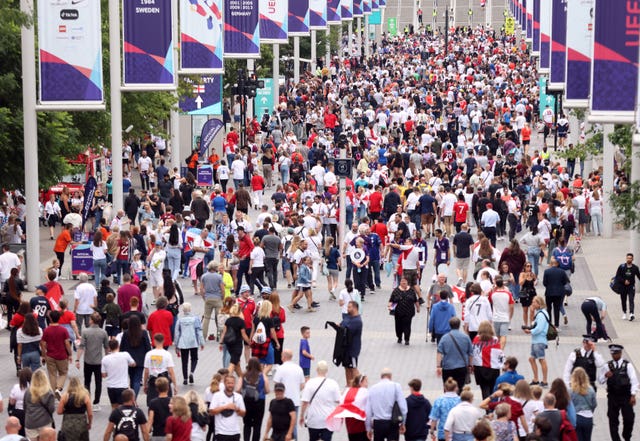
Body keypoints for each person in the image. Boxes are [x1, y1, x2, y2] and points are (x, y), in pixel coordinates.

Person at [599, 344, 639, 441]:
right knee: (612, 420)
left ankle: (627, 436)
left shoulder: (627, 366)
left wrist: (633, 395)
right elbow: (600, 380)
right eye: (612, 354)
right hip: (613, 397)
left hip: (625, 396)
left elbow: (634, 381)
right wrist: (605, 375)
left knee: (629, 418)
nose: (614, 355)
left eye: (616, 353)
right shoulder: (607, 366)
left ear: (620, 353)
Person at [299, 360, 341, 441]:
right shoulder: (333, 383)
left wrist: (301, 416)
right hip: (328, 419)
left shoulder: (310, 383)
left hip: (314, 419)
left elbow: (305, 402)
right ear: (327, 370)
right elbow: (339, 400)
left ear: (317, 369)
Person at [76, 312, 109, 411]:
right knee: (98, 382)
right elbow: (106, 347)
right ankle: (96, 402)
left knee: (87, 381)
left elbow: (81, 347)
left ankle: (87, 400)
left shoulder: (85, 332)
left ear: (91, 320)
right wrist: (107, 360)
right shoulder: (103, 332)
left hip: (88, 360)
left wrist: (77, 359)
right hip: (99, 361)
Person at [365, 367, 407, 441]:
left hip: (378, 423)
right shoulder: (396, 386)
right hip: (392, 422)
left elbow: (368, 411)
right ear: (390, 376)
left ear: (381, 377)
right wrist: (403, 423)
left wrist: (368, 428)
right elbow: (403, 408)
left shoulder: (372, 388)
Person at [272, 349, 305, 440]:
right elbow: (302, 385)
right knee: (293, 425)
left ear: (284, 357)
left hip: (283, 401)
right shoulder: (298, 368)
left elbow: (276, 384)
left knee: (282, 424)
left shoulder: (281, 368)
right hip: (295, 401)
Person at [40, 309, 72, 399]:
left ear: (50, 318)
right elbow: (67, 343)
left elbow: (42, 343)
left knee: (52, 374)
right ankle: (59, 388)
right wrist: (70, 354)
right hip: (62, 355)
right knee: (63, 373)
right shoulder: (63, 330)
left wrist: (43, 354)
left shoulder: (46, 330)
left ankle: (54, 393)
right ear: (59, 318)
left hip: (50, 355)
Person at [437, 317, 473, 393]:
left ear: (450, 325)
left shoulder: (444, 338)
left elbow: (439, 352)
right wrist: (470, 365)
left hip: (448, 367)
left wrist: (438, 366)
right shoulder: (466, 337)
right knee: (460, 387)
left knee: (448, 388)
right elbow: (470, 353)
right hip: (461, 367)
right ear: (459, 325)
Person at [238, 357, 270, 441]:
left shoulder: (244, 375)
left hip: (246, 401)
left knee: (247, 424)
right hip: (259, 402)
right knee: (257, 425)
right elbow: (267, 390)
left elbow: (238, 389)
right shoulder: (262, 375)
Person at [119, 315, 152, 397]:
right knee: (137, 380)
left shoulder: (126, 333)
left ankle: (131, 397)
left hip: (129, 360)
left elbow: (122, 347)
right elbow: (147, 346)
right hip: (140, 360)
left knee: (132, 378)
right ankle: (134, 398)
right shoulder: (143, 333)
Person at [143, 333, 179, 406]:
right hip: (164, 381)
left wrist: (145, 384)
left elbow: (146, 371)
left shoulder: (149, 354)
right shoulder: (167, 354)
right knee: (167, 404)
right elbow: (171, 371)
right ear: (163, 341)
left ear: (154, 341)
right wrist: (175, 385)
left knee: (152, 404)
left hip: (153, 381)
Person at [472, 321, 505, 400]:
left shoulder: (476, 339)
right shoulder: (495, 340)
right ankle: (492, 405)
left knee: (484, 388)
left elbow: (473, 353)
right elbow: (499, 354)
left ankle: (487, 406)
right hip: (493, 368)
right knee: (493, 387)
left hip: (480, 368)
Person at [175, 302, 205, 385]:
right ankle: (191, 372)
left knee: (184, 361)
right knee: (194, 358)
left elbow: (177, 334)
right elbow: (199, 331)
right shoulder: (195, 319)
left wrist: (176, 345)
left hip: (183, 342)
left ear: (183, 310)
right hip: (193, 341)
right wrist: (202, 342)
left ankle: (185, 378)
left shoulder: (180, 320)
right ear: (190, 309)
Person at [209, 375, 246, 441]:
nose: (230, 385)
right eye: (228, 383)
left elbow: (243, 414)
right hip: (221, 432)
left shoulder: (238, 397)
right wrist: (225, 407)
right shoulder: (217, 395)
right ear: (224, 383)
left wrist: (237, 409)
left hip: (235, 432)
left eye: (232, 383)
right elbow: (211, 412)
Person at [101, 339, 136, 409]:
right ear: (118, 346)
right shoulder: (125, 355)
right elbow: (133, 364)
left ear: (109, 348)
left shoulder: (105, 359)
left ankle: (114, 419)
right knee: (123, 407)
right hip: (122, 386)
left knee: (114, 407)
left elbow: (103, 375)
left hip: (111, 386)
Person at [523, 296, 550, 387]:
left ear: (539, 304)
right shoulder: (539, 313)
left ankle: (545, 381)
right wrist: (531, 312)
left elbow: (539, 328)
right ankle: (536, 379)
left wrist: (530, 331)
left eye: (534, 302)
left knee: (542, 359)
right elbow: (533, 324)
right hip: (536, 340)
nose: (532, 304)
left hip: (539, 340)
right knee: (531, 359)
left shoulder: (542, 314)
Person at [56, 377, 92, 441]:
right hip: (81, 423)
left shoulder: (65, 396)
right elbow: (90, 414)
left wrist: (65, 410)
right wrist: (89, 423)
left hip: (68, 423)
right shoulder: (85, 396)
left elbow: (59, 411)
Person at [220, 304, 250, 377]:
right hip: (237, 345)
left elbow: (224, 332)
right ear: (239, 311)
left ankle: (242, 378)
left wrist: (221, 342)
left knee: (237, 363)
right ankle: (225, 378)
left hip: (229, 344)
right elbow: (243, 334)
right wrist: (249, 342)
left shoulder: (228, 320)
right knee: (233, 363)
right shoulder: (241, 321)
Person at [388, 277, 420, 345]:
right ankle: (399, 337)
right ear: (400, 283)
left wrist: (418, 308)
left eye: (405, 282)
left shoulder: (411, 290)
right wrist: (389, 306)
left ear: (407, 283)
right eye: (402, 282)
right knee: (398, 326)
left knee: (407, 325)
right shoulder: (396, 291)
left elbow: (415, 300)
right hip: (398, 312)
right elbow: (391, 300)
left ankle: (407, 339)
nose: (404, 283)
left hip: (409, 312)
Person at [569, 367, 597, 441]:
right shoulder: (591, 389)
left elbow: (569, 406)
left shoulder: (571, 391)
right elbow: (594, 404)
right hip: (588, 418)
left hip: (576, 417)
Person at [201, 261, 225, 341]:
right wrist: (222, 297)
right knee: (219, 318)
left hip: (208, 298)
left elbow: (201, 289)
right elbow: (222, 289)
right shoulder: (219, 277)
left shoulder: (204, 276)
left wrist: (204, 297)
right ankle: (219, 336)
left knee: (206, 318)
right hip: (217, 298)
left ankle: (203, 337)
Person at [341, 301, 363, 386]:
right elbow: (342, 324)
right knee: (347, 368)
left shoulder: (357, 321)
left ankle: (361, 385)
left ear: (355, 308)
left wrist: (341, 327)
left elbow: (347, 330)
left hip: (352, 350)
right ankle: (348, 386)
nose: (347, 309)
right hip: (346, 348)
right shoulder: (349, 317)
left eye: (349, 307)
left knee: (353, 368)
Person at [542, 258, 570, 328]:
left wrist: (549, 286)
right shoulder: (562, 272)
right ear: (558, 264)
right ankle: (556, 325)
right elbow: (565, 282)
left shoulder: (547, 271)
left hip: (549, 292)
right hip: (559, 293)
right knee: (556, 308)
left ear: (551, 264)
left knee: (549, 308)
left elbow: (544, 283)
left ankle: (549, 324)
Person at [489, 276, 515, 349]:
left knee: (497, 336)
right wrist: (510, 316)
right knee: (503, 335)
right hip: (505, 318)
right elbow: (512, 306)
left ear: (496, 285)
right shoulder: (508, 294)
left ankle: (497, 350)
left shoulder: (493, 294)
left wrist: (493, 290)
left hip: (496, 318)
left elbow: (490, 302)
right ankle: (501, 350)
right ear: (503, 285)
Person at [613, 253, 640, 321]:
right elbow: (618, 276)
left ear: (632, 259)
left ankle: (631, 314)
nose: (629, 259)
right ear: (626, 258)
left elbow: (639, 276)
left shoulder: (635, 268)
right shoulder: (622, 267)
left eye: (630, 258)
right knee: (623, 300)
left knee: (631, 299)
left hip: (631, 286)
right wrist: (624, 281)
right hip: (623, 286)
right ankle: (624, 313)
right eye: (628, 258)